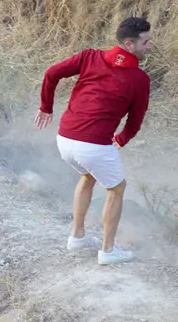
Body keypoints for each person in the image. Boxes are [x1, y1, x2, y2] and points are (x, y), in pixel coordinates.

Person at [34, 16, 153, 265]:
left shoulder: (90, 56)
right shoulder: (140, 79)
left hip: (65, 139)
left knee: (88, 175)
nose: (149, 46)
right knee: (116, 188)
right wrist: (121, 139)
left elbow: (51, 73)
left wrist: (46, 107)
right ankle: (108, 251)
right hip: (93, 144)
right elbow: (135, 121)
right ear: (129, 45)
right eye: (145, 41)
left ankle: (77, 237)